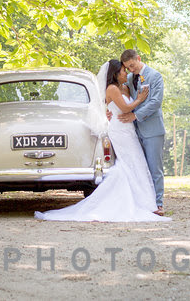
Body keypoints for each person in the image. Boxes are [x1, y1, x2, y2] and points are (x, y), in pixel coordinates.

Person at [34, 60, 170, 222]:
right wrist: (140, 99)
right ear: (115, 74)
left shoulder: (125, 87)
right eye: (122, 71)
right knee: (132, 161)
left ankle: (142, 201)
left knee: (135, 163)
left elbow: (124, 106)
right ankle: (144, 202)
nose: (126, 73)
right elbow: (125, 108)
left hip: (129, 130)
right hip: (119, 131)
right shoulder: (111, 89)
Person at [117, 49, 165, 215]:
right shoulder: (130, 78)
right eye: (127, 68)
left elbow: (155, 102)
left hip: (153, 130)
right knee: (140, 168)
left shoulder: (155, 76)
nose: (131, 70)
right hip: (135, 131)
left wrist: (135, 116)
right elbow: (123, 98)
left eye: (132, 65)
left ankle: (158, 204)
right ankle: (144, 203)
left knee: (154, 168)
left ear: (138, 58)